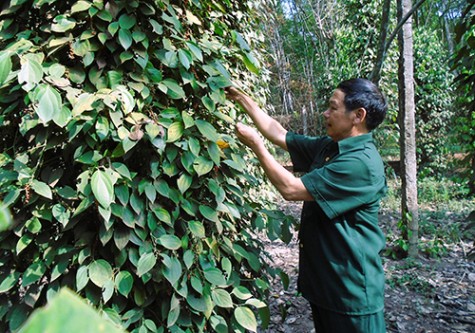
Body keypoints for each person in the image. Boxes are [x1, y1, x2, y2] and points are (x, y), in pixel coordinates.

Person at [226, 78, 388, 333]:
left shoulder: (361, 163)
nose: (325, 113)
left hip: (351, 291)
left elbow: (291, 189)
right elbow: (279, 134)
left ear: (358, 115)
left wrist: (256, 145)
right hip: (326, 283)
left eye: (333, 108)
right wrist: (242, 98)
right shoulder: (331, 146)